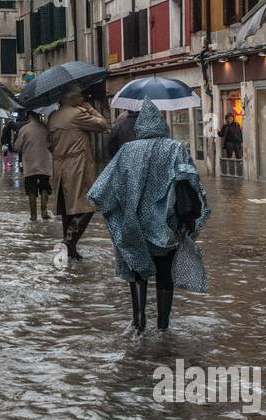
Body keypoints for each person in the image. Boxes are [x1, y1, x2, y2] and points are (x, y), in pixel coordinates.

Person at [89, 101, 210, 333]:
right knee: (165, 274)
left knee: (136, 271)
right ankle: (163, 327)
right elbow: (191, 181)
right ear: (162, 124)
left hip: (133, 223)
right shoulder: (175, 148)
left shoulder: (127, 151)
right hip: (167, 224)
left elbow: (101, 189)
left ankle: (138, 322)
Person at [47, 88, 111, 261]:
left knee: (69, 208)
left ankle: (70, 249)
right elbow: (103, 125)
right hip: (78, 166)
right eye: (80, 96)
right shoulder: (77, 114)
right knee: (88, 204)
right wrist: (89, 108)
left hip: (60, 167)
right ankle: (69, 241)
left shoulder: (52, 117)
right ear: (74, 98)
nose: (82, 98)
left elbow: (49, 145)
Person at [11, 109, 53, 221]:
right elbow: (53, 144)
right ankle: (44, 212)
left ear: (28, 116)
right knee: (45, 186)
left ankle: (33, 215)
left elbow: (16, 147)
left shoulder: (24, 130)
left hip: (30, 165)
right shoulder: (46, 128)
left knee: (31, 189)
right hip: (45, 163)